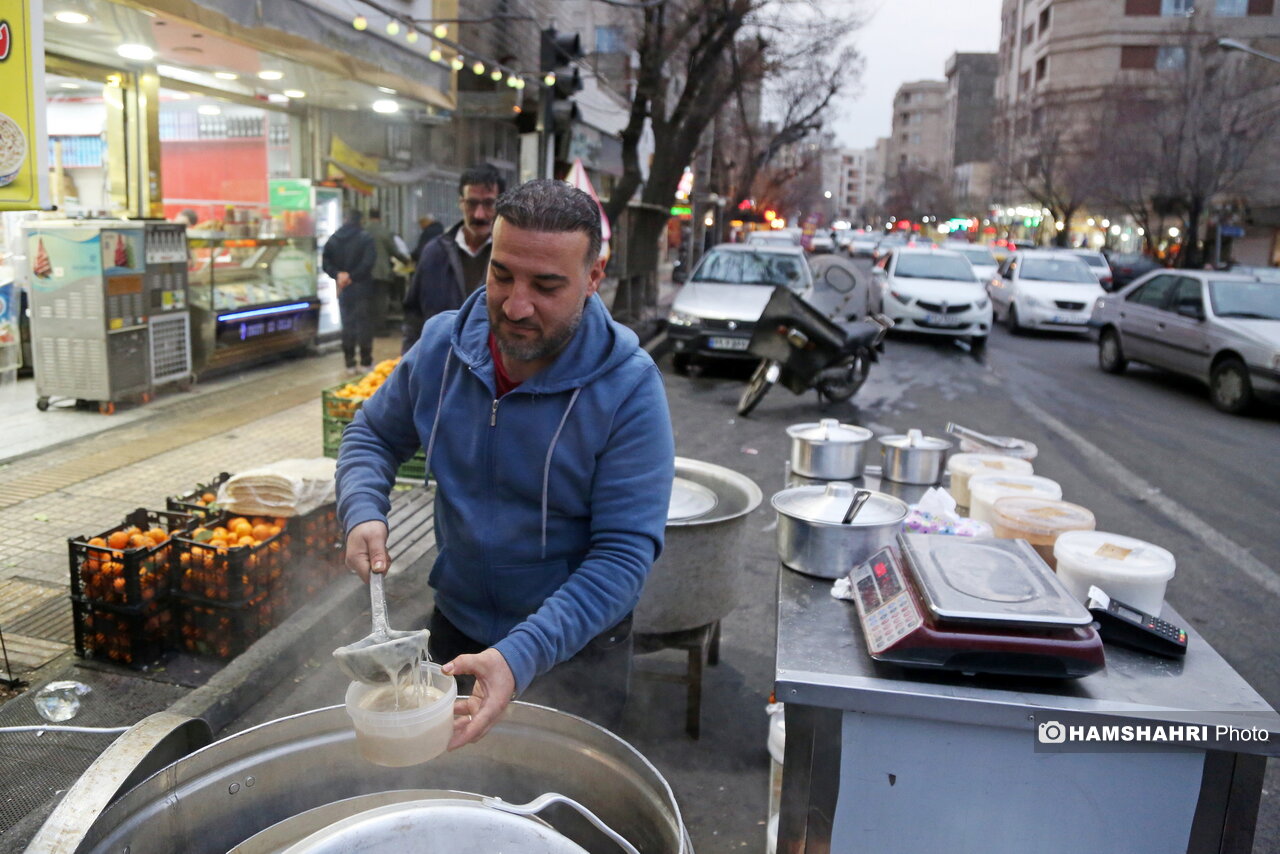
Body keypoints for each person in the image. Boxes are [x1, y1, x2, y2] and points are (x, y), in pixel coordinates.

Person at [337, 179, 675, 749]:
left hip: (574, 649)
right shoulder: (442, 347)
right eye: (502, 275)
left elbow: (622, 557)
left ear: (593, 278)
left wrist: (520, 655)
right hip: (455, 631)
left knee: (559, 816)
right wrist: (363, 508)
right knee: (448, 800)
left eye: (546, 285)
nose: (516, 305)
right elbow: (371, 432)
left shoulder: (629, 388)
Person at [401, 164, 506, 353]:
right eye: (472, 203)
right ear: (461, 203)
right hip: (438, 364)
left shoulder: (509, 256)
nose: (479, 214)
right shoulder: (434, 252)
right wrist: (408, 361)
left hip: (491, 369)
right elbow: (413, 315)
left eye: (489, 204)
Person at [322, 210, 377, 375]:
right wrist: (352, 276)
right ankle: (366, 362)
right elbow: (369, 261)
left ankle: (349, 363)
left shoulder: (334, 239)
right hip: (362, 287)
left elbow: (326, 263)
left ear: (345, 219)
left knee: (348, 325)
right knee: (364, 325)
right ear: (361, 220)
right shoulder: (366, 238)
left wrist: (339, 275)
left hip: (343, 289)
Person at [364, 208, 411, 335]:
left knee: (367, 300)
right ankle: (379, 329)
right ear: (380, 217)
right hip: (382, 272)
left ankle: (367, 328)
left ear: (369, 216)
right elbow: (394, 251)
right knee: (381, 301)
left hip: (364, 272)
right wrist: (407, 261)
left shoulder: (363, 231)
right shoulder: (385, 232)